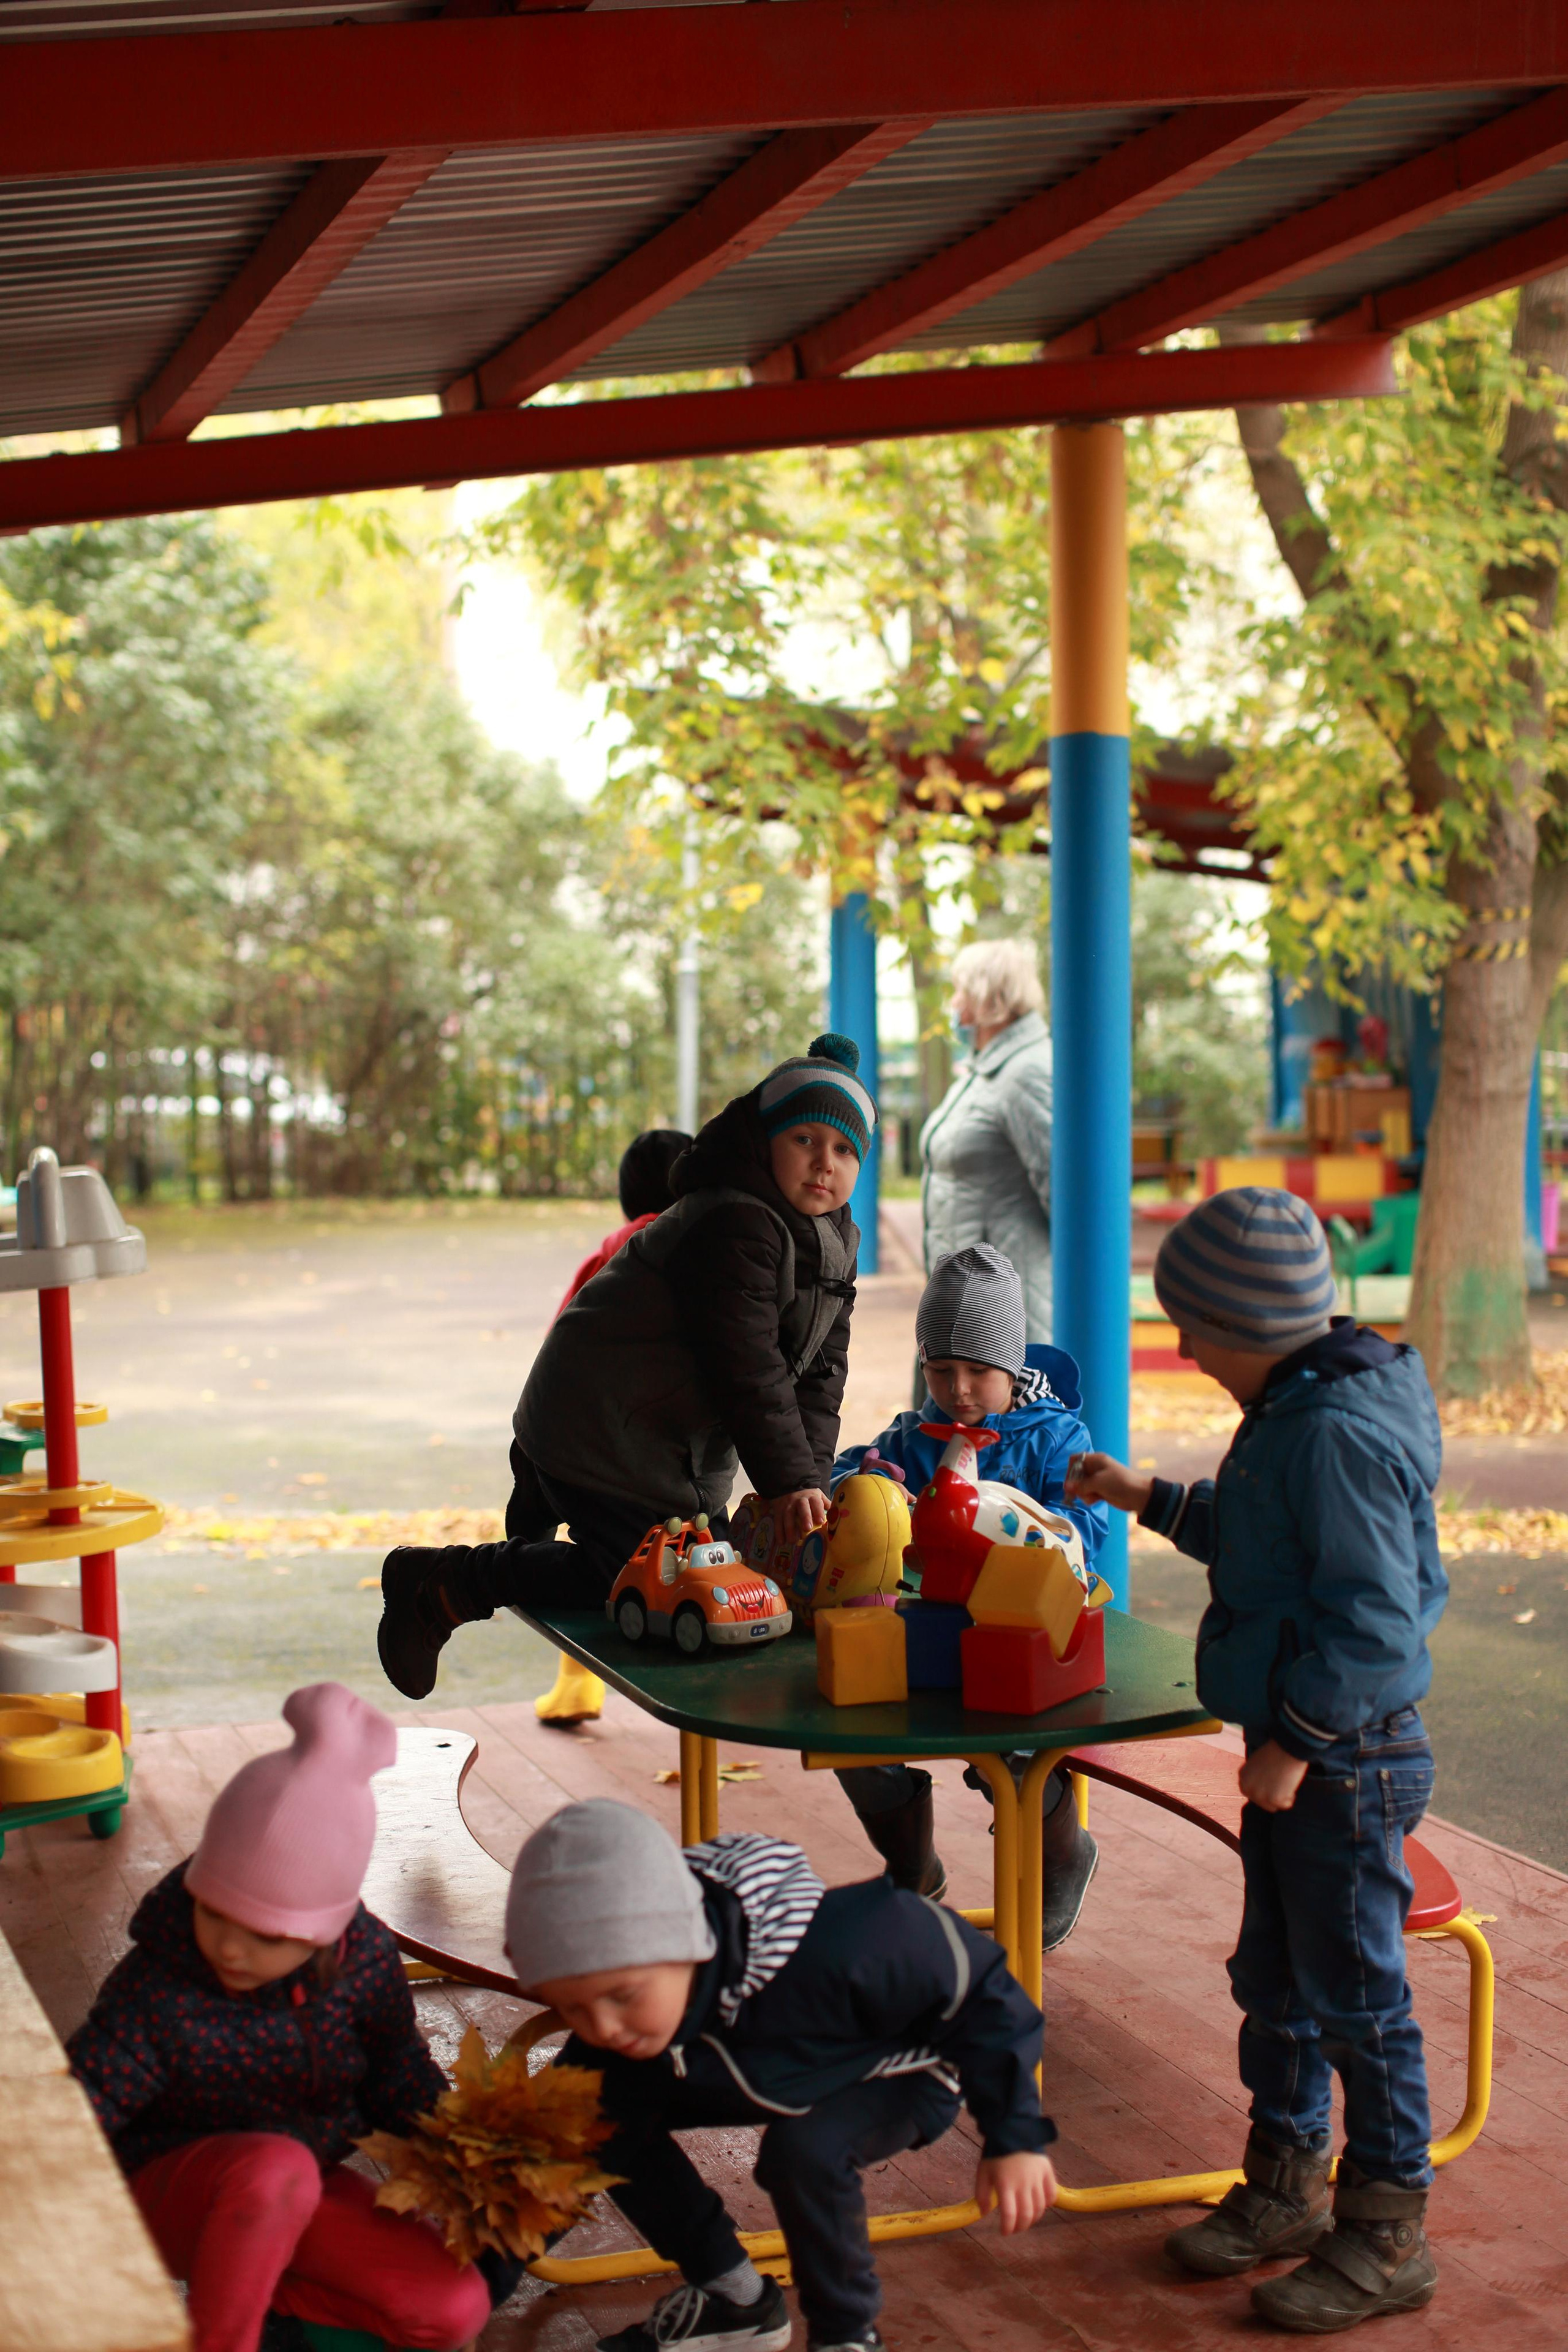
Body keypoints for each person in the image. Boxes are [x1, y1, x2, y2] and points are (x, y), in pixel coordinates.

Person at [1063, 1187, 1447, 2334]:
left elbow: (1378, 1624)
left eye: (1194, 1329)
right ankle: (1286, 2186)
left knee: (1357, 2000)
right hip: (1305, 1756)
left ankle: (1386, 2233)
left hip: (1347, 1759)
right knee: (1276, 1982)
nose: (1183, 1348)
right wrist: (1152, 1500)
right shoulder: (1296, 1406)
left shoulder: (1331, 1430)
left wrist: (1298, 1744)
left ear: (1250, 1327)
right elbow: (1265, 1540)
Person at [377, 1033, 874, 1701]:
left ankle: (544, 1484)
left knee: (719, 1576)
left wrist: (805, 1490)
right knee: (652, 1586)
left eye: (844, 1150)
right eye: (804, 1140)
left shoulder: (832, 1245)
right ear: (763, 1140)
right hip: (604, 1418)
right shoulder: (739, 1223)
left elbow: (820, 1375)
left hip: (648, 1429)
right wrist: (786, 1483)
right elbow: (747, 1367)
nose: (824, 1164)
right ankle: (444, 1584)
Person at [506, 1799, 1057, 2352]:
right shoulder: (625, 2025)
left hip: (904, 2065)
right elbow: (553, 2157)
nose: (603, 2026)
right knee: (597, 2114)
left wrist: (1015, 2134)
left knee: (805, 2151)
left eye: (623, 1996)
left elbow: (983, 1989)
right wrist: (469, 2271)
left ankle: (847, 2338)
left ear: (688, 1944)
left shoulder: (843, 1944)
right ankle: (734, 2302)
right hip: (766, 2063)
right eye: (574, 2011)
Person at [67, 1684, 513, 2352]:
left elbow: (400, 2076)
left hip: (290, 2198)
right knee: (279, 2169)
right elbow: (83, 2107)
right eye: (213, 1911)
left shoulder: (363, 1966)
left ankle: (268, 2311)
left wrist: (466, 2162)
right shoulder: (159, 1985)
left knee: (453, 2308)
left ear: (325, 1933)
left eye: (268, 1935)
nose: (230, 1946)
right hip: (161, 2194)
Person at [830, 1243, 1108, 1944]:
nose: (957, 1390)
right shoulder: (913, 1435)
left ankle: (1062, 1857)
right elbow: (846, 1476)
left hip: (1021, 1638)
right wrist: (867, 1484)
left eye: (978, 1372)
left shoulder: (1055, 1439)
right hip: (926, 1630)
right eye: (940, 1369)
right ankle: (912, 1865)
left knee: (1016, 1752)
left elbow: (1086, 1525)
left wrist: (1013, 1520)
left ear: (1011, 1369)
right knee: (850, 1731)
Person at [537, 1125, 692, 1728]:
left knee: (584, 1552)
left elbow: (558, 1340)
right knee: (675, 1550)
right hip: (660, 1441)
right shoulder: (698, 1248)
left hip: (582, 1438)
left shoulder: (607, 1252)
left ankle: (577, 1678)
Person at [920, 938, 1054, 1346]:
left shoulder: (1025, 1073)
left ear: (986, 997)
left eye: (961, 990)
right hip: (966, 1295)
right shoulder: (986, 1071)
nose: (955, 1001)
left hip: (1003, 1309)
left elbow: (1063, 1191)